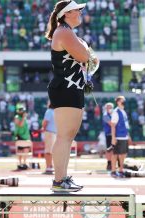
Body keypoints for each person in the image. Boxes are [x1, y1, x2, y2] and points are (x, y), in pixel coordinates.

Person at [45, 0, 99, 192]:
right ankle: (59, 180)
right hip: (66, 87)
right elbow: (87, 58)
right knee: (64, 137)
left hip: (71, 87)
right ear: (67, 13)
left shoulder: (66, 32)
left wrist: (89, 56)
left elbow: (89, 59)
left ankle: (62, 178)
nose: (81, 13)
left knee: (67, 137)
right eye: (78, 10)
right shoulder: (64, 32)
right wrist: (89, 55)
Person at [111, 96, 130, 178]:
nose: (124, 101)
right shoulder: (116, 112)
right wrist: (113, 137)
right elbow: (113, 125)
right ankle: (113, 171)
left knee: (123, 154)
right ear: (118, 102)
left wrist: (128, 135)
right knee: (115, 154)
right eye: (122, 100)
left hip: (124, 136)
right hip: (118, 136)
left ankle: (121, 170)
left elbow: (125, 125)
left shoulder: (123, 111)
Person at [14, 104, 31, 170]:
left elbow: (26, 128)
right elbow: (20, 125)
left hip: (26, 137)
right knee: (20, 151)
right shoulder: (17, 117)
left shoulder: (25, 118)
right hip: (20, 136)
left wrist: (29, 136)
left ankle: (25, 163)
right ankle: (20, 164)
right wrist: (23, 118)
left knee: (26, 151)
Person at [41, 101, 56, 175]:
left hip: (49, 132)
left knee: (48, 151)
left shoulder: (49, 111)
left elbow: (45, 122)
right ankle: (51, 166)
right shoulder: (56, 111)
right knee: (52, 151)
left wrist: (42, 128)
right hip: (55, 133)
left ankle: (48, 167)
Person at [102, 102, 114, 171]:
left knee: (115, 149)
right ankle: (109, 163)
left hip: (114, 135)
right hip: (109, 134)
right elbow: (112, 124)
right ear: (106, 108)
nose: (109, 108)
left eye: (111, 107)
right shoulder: (105, 115)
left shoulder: (113, 114)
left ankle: (114, 163)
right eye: (108, 107)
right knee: (109, 149)